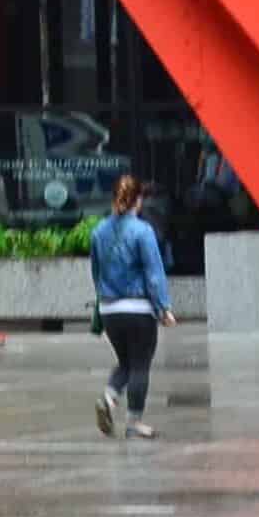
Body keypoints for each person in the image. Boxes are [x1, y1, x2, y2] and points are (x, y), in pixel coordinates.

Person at [91, 174, 174, 440]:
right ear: (138, 200)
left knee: (125, 362)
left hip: (109, 309)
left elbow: (96, 272)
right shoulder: (142, 230)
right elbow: (153, 272)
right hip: (138, 308)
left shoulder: (98, 231)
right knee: (140, 365)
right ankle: (134, 422)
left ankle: (109, 397)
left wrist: (101, 302)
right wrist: (164, 307)